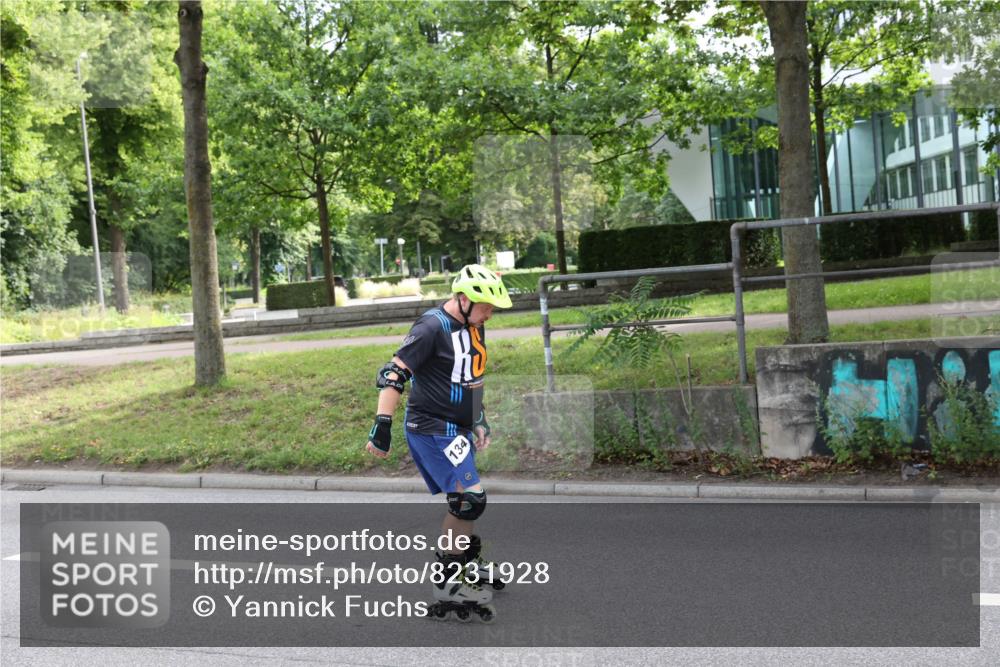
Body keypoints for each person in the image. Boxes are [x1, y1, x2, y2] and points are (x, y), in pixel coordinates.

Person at [365, 264, 512, 621]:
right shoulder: (432, 327)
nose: (490, 313)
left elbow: (473, 377)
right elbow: (394, 372)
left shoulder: (474, 327)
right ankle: (448, 581)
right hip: (430, 427)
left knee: (465, 500)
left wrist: (478, 417)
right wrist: (381, 424)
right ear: (463, 299)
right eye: (485, 306)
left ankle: (465, 562)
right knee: (468, 500)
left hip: (456, 430)